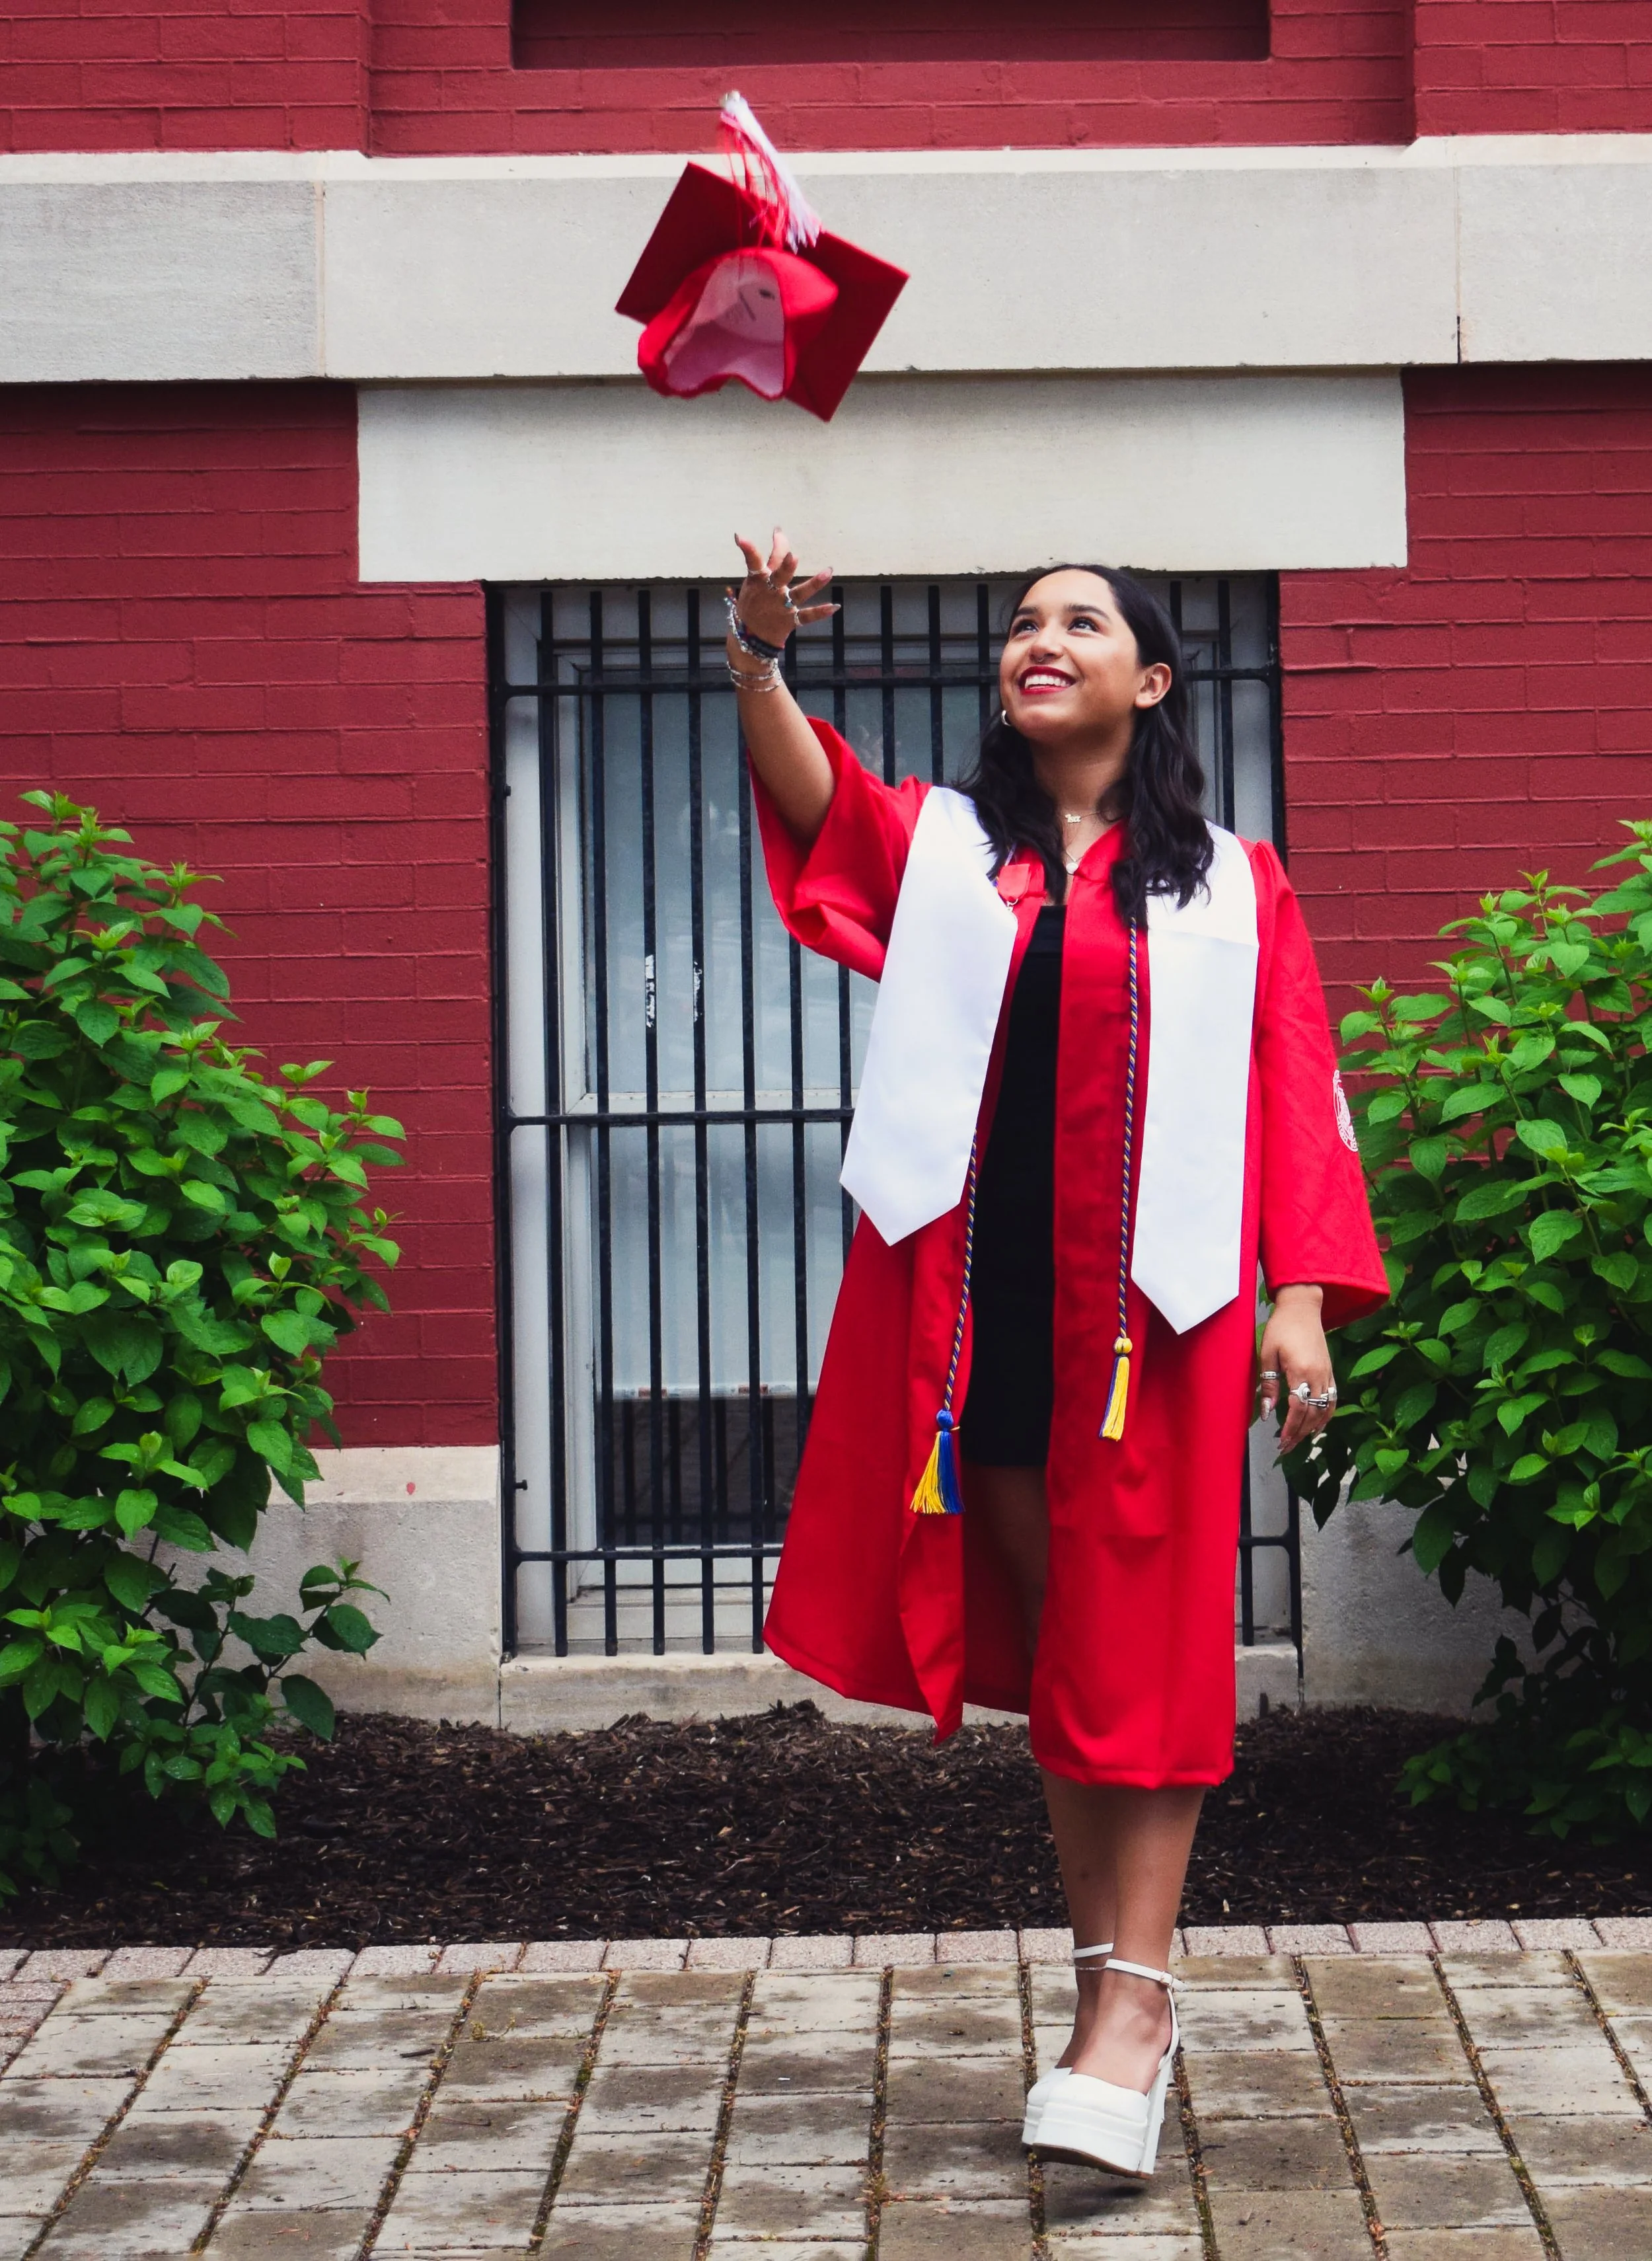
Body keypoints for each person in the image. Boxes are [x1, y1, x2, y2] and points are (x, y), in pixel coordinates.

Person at [728, 531, 1386, 2178]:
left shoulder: (1231, 881)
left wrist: (1299, 1292)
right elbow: (819, 810)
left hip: (1145, 1315)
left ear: (1147, 680)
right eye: (1022, 621)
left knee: (1141, 1649)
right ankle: (1110, 1989)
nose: (1042, 638)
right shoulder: (953, 852)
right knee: (1063, 1652)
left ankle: (1133, 2011)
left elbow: (1289, 1083)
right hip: (972, 1310)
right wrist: (755, 658)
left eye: (1081, 622)